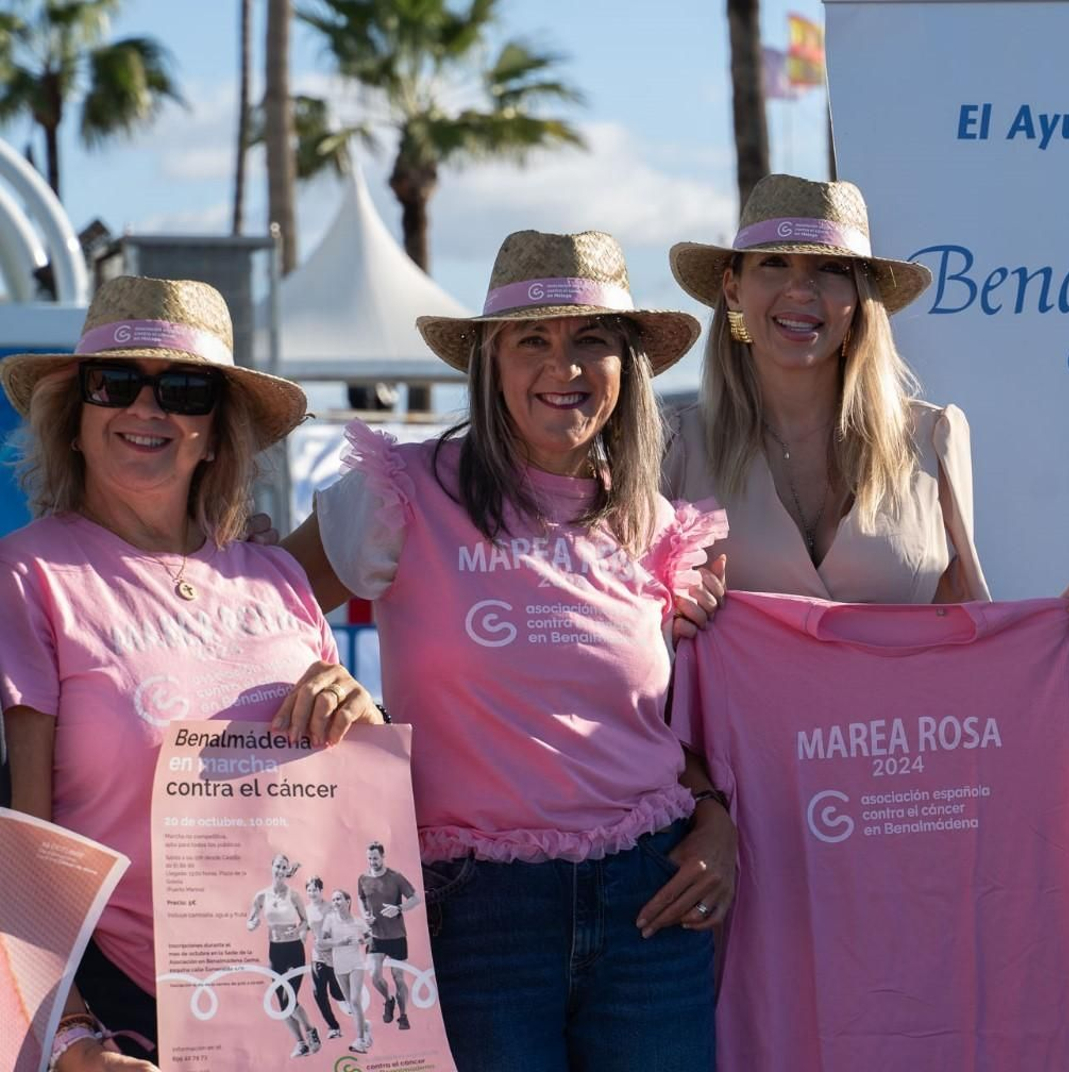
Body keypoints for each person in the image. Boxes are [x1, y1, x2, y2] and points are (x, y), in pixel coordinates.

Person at [281, 230, 730, 1071]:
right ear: (491, 363)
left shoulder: (659, 528)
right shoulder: (404, 491)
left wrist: (718, 821)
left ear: (628, 366)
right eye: (534, 340)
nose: (563, 367)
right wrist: (332, 689)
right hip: (472, 915)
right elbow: (259, 611)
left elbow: (670, 729)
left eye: (591, 339)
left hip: (650, 905)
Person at [0, 276, 383, 1072]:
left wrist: (360, 716)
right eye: (115, 384)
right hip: (127, 1016)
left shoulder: (279, 580)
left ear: (216, 433)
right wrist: (69, 1039)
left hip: (301, 1009)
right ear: (75, 419)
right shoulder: (28, 577)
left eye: (184, 389)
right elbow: (20, 850)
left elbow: (345, 812)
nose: (148, 409)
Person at [660, 172, 1069, 636]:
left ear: (861, 297)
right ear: (733, 289)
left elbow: (965, 625)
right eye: (774, 263)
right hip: (733, 712)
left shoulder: (932, 437)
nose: (801, 289)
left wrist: (1063, 635)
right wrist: (670, 624)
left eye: (832, 269)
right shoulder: (674, 449)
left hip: (905, 710)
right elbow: (633, 645)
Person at [245, 853, 319, 1057]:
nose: (279, 870)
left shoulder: (294, 895)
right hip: (276, 951)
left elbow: (305, 921)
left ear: (287, 871)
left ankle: (312, 1031)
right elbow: (250, 921)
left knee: (291, 998)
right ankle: (301, 1043)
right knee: (282, 1003)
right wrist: (252, 924)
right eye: (277, 866)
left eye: (283, 867)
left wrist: (298, 931)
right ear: (272, 867)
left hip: (294, 949)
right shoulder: (261, 896)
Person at [356, 840, 420, 1031]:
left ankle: (403, 1016)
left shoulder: (396, 877)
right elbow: (361, 899)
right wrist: (364, 915)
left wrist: (398, 908)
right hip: (376, 936)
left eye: (375, 858)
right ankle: (388, 1000)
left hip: (397, 936)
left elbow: (416, 898)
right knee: (375, 976)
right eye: (369, 858)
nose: (372, 861)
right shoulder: (362, 879)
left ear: (383, 857)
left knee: (398, 978)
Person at [316, 890, 372, 1054]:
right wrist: (339, 942)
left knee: (355, 1001)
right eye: (333, 899)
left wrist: (362, 940)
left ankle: (360, 1041)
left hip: (356, 963)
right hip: (339, 966)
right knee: (351, 1005)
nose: (335, 902)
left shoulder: (358, 921)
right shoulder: (330, 920)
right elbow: (321, 943)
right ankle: (365, 1025)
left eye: (339, 898)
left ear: (348, 901)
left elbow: (370, 937)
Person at [302, 876, 346, 1040]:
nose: (312, 893)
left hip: (334, 955)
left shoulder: (330, 908)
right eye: (309, 890)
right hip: (318, 955)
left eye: (315, 889)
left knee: (336, 992)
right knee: (318, 993)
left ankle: (347, 999)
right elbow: (305, 927)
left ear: (321, 891)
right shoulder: (306, 910)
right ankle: (334, 1027)